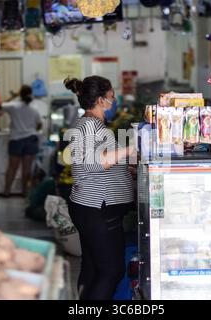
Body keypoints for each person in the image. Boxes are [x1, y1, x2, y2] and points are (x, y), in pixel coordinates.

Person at [64, 76, 135, 300]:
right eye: (112, 98)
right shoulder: (87, 125)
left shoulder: (95, 125)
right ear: (101, 100)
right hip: (96, 208)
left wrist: (127, 168)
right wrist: (132, 148)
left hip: (93, 208)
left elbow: (104, 160)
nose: (114, 103)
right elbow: (94, 162)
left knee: (94, 268)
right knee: (111, 271)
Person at [1, 85, 42, 197]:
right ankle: (25, 192)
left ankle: (6, 191)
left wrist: (13, 96)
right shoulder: (34, 109)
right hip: (30, 139)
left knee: (12, 167)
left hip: (16, 139)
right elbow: (39, 125)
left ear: (21, 94)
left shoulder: (14, 106)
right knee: (27, 168)